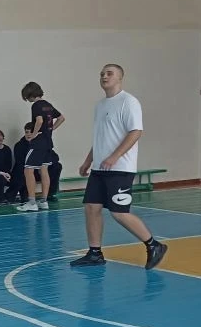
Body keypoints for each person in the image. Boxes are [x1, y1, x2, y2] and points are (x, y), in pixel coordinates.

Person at [68, 64, 167, 269]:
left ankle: (154, 245)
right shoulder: (100, 105)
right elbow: (101, 138)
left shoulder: (129, 102)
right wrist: (88, 160)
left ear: (120, 77)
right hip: (99, 169)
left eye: (109, 73)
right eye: (102, 74)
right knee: (91, 207)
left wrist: (115, 157)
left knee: (119, 212)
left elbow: (135, 132)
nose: (104, 76)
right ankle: (95, 253)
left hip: (120, 169)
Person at [17, 82, 63, 212]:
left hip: (38, 143)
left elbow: (39, 121)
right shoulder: (48, 105)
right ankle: (43, 201)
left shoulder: (36, 105)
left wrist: (33, 134)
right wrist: (51, 130)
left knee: (28, 170)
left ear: (30, 94)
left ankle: (31, 202)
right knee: (44, 170)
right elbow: (61, 118)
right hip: (48, 142)